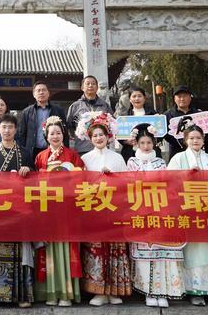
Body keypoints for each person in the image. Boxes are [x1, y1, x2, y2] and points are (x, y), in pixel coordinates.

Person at [167, 125, 208, 306]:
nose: (195, 141)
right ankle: (195, 291)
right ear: (185, 140)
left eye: (198, 138)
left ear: (204, 140)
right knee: (195, 252)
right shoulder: (178, 158)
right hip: (190, 211)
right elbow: (169, 183)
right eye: (191, 138)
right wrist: (187, 176)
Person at [0, 113, 34, 308]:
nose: (7, 130)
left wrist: (28, 172)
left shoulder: (26, 153)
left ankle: (22, 295)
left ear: (16, 130)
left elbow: (35, 182)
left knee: (19, 252)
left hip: (19, 208)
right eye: (4, 127)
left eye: (11, 127)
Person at [126, 124, 185, 307]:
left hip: (160, 210)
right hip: (140, 210)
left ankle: (165, 291)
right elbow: (127, 185)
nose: (145, 146)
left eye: (149, 142)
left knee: (163, 253)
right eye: (142, 142)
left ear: (154, 143)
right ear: (136, 143)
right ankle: (149, 291)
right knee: (146, 253)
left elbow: (168, 185)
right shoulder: (131, 162)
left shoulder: (161, 163)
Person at [79, 113, 131, 306]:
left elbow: (126, 184)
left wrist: (113, 178)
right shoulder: (84, 159)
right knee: (96, 250)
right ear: (90, 139)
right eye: (95, 136)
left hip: (115, 209)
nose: (99, 138)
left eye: (101, 135)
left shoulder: (117, 158)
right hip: (94, 210)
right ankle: (98, 291)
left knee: (115, 250)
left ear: (108, 136)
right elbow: (79, 185)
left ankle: (114, 290)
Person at [34, 116, 84, 307]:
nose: (55, 136)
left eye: (58, 132)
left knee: (66, 248)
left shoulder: (72, 155)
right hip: (48, 207)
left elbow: (82, 177)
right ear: (46, 136)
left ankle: (66, 293)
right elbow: (35, 183)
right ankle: (50, 293)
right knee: (49, 250)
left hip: (67, 206)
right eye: (51, 133)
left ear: (63, 134)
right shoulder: (41, 157)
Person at [18, 81, 68, 160]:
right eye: (38, 90)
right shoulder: (26, 112)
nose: (41, 92)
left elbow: (65, 132)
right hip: (32, 151)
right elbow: (22, 135)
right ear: (34, 95)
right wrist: (23, 152)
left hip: (53, 150)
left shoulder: (58, 111)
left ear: (48, 93)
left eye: (44, 90)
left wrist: (66, 150)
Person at [67, 75, 113, 156]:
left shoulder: (105, 106)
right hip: (82, 149)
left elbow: (112, 125)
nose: (90, 85)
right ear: (82, 87)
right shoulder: (75, 106)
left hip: (102, 148)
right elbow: (69, 126)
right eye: (87, 83)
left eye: (93, 83)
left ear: (97, 87)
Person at [119, 87, 159, 162]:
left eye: (139, 96)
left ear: (144, 98)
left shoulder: (153, 114)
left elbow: (160, 135)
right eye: (134, 96)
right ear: (130, 99)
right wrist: (126, 141)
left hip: (150, 152)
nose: (137, 99)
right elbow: (119, 134)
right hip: (130, 152)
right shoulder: (124, 116)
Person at [164, 85, 201, 159]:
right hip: (176, 152)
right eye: (179, 96)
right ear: (174, 99)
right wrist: (182, 142)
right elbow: (166, 135)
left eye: (185, 96)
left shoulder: (198, 114)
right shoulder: (167, 115)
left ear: (190, 98)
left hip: (196, 151)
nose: (182, 99)